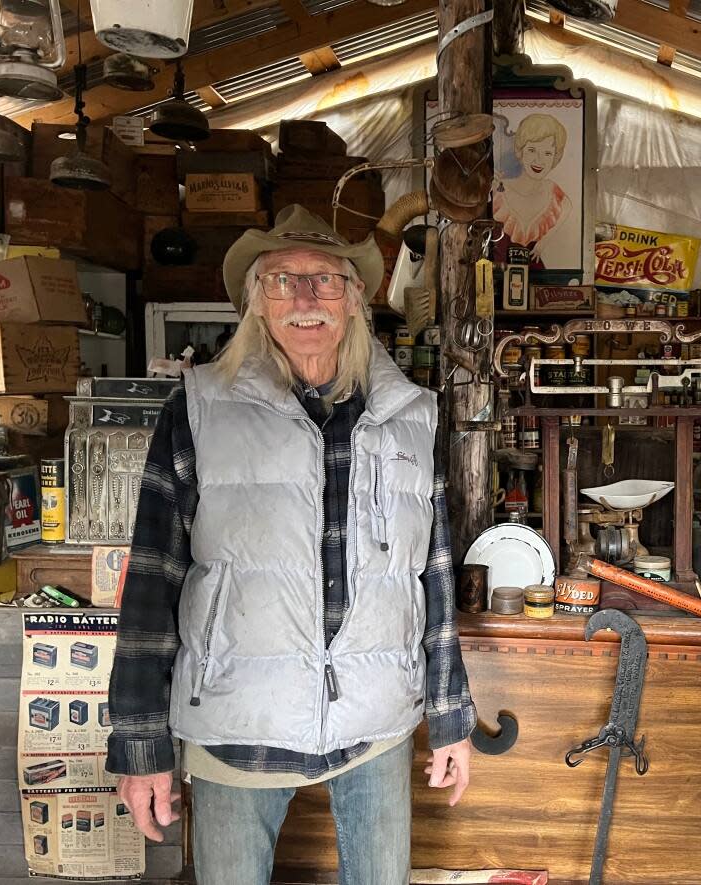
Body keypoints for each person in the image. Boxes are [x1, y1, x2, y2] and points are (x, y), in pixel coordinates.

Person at [105, 205, 477, 885]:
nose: (305, 298)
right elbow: (152, 582)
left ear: (357, 298)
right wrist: (139, 742)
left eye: (325, 280)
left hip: (375, 720)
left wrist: (450, 715)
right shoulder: (197, 407)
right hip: (235, 721)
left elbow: (433, 576)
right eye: (281, 281)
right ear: (255, 301)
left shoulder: (411, 417)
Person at [492, 112, 573, 267]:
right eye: (532, 150)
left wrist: (541, 245)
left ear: (556, 158)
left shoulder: (553, 193)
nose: (539, 160)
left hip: (535, 275)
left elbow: (567, 208)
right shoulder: (499, 189)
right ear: (519, 151)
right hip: (497, 275)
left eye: (547, 153)